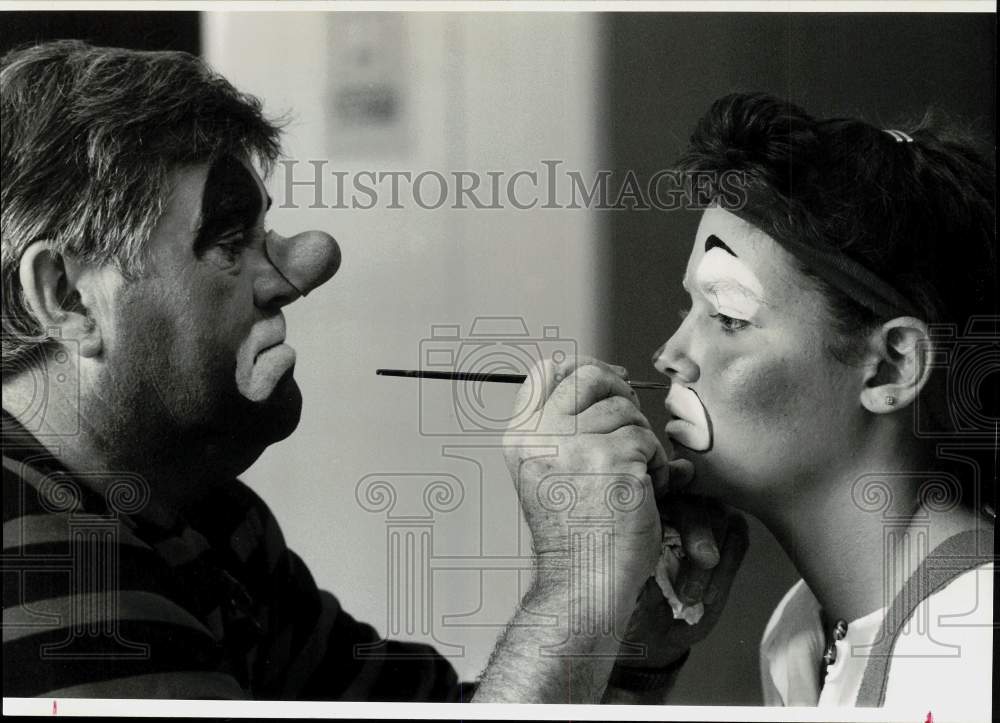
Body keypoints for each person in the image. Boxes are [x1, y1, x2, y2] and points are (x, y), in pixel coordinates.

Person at [2, 40, 746, 703]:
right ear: (68, 296)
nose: (296, 269)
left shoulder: (210, 522)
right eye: (230, 238)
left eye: (267, 229)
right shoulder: (28, 555)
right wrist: (579, 584)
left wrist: (635, 630)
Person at [649, 92, 995, 714]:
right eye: (689, 309)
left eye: (727, 316)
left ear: (892, 365)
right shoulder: (799, 631)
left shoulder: (972, 643)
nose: (670, 355)